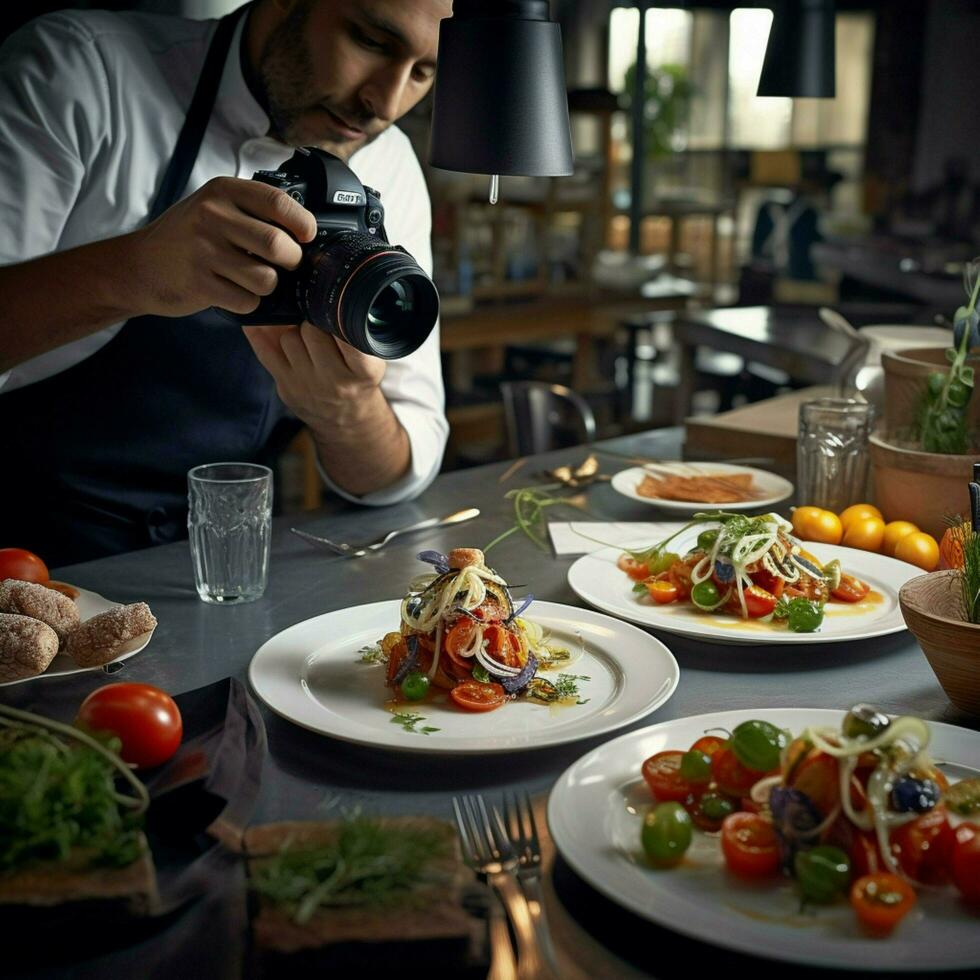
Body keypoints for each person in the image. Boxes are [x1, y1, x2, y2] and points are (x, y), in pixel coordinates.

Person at [0, 0, 452, 567]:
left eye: (424, 72)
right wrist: (132, 272)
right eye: (371, 41)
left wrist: (347, 408)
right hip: (28, 554)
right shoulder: (85, 69)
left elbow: (400, 468)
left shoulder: (386, 163)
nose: (385, 103)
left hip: (233, 566)